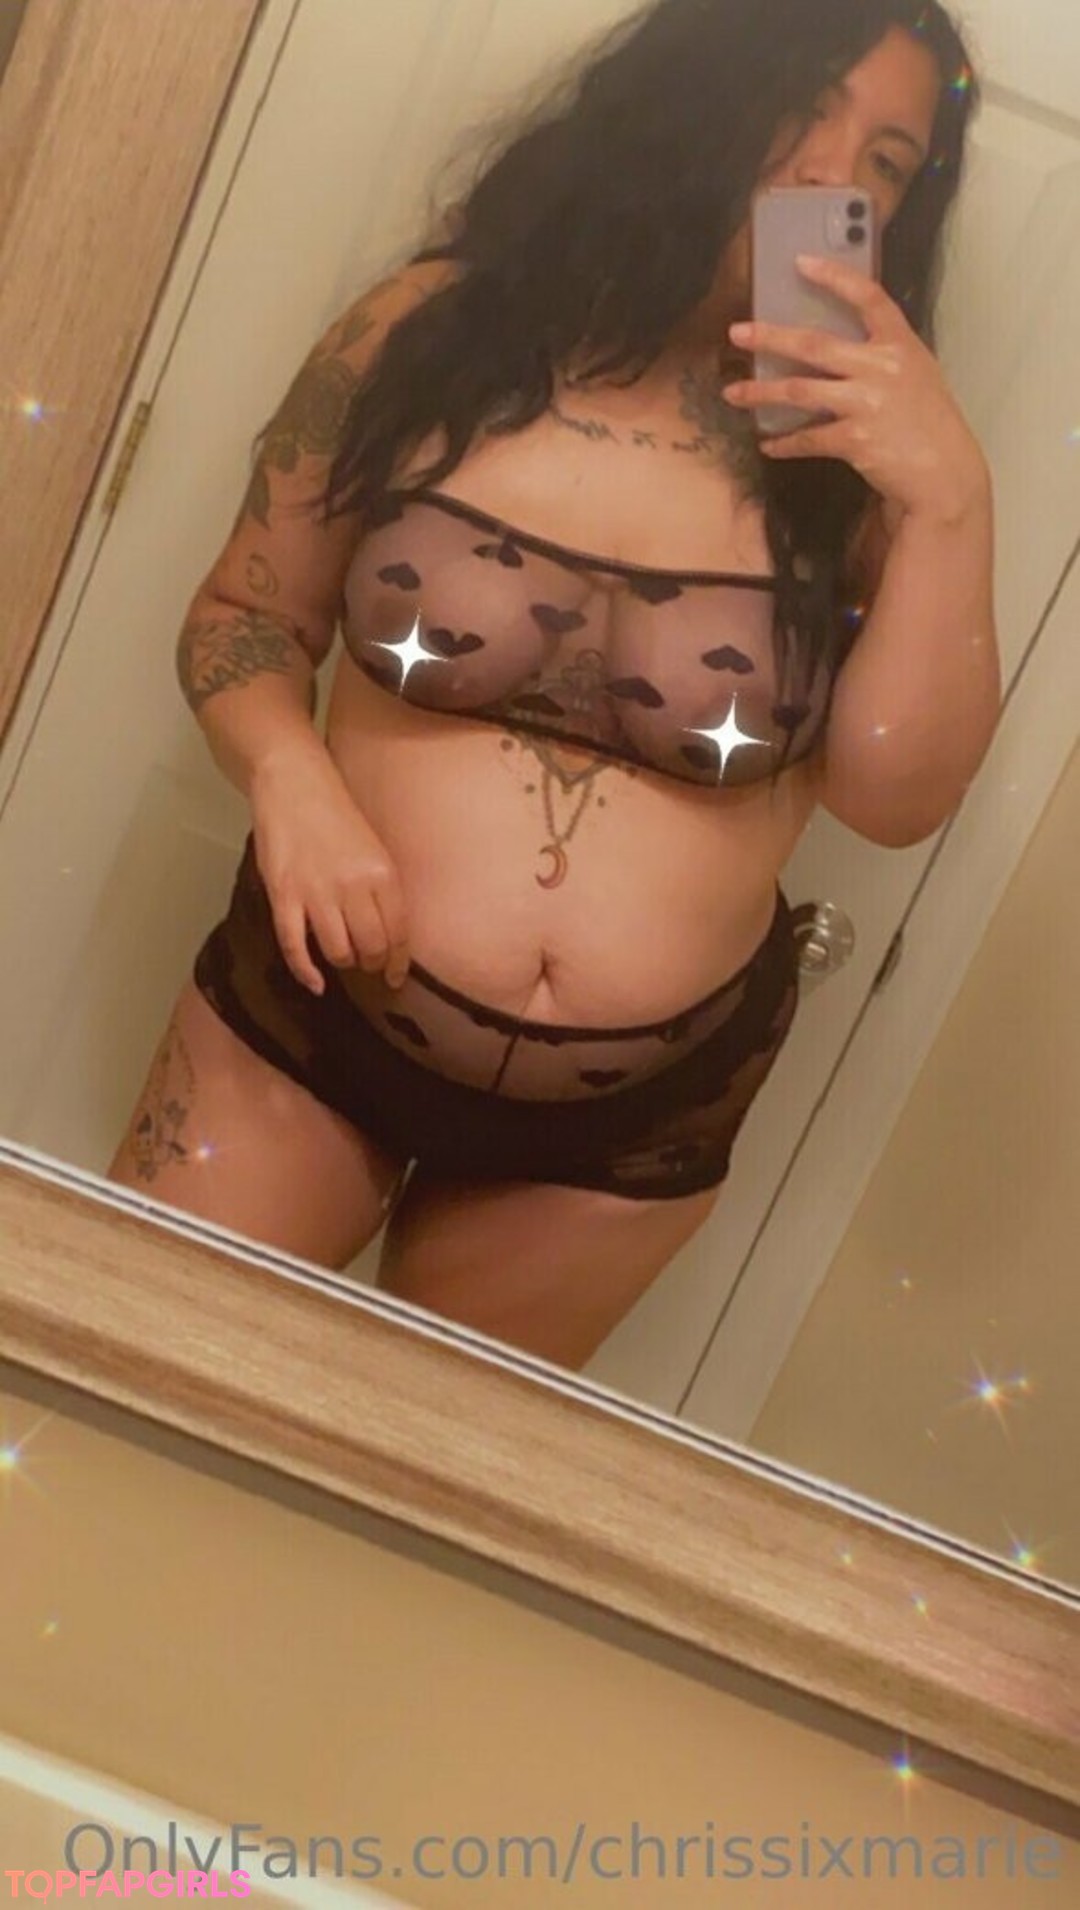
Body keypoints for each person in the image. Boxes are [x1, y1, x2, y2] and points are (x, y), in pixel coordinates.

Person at [108, 0, 1000, 1371]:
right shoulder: (434, 332)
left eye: (887, 160)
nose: (835, 173)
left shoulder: (862, 459)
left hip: (627, 1129)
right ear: (697, 93)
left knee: (399, 1482)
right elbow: (245, 617)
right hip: (316, 1016)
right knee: (127, 1375)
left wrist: (949, 504)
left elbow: (894, 799)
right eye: (805, 107)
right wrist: (291, 781)